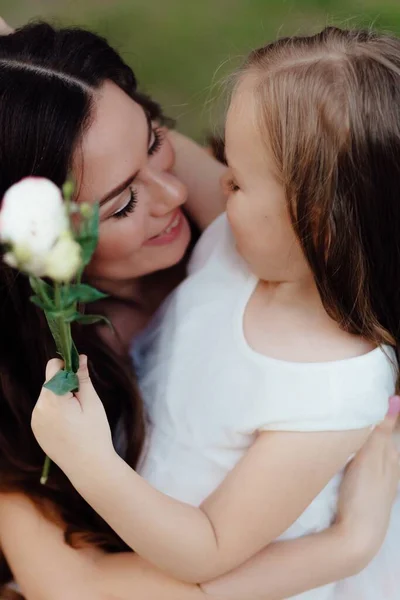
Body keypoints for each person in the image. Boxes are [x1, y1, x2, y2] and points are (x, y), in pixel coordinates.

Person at [0, 20, 398, 600]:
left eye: (158, 139)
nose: (189, 192)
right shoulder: (248, 246)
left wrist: (89, 460)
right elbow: (72, 586)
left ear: (317, 226)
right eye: (126, 202)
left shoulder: (327, 382)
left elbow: (209, 545)